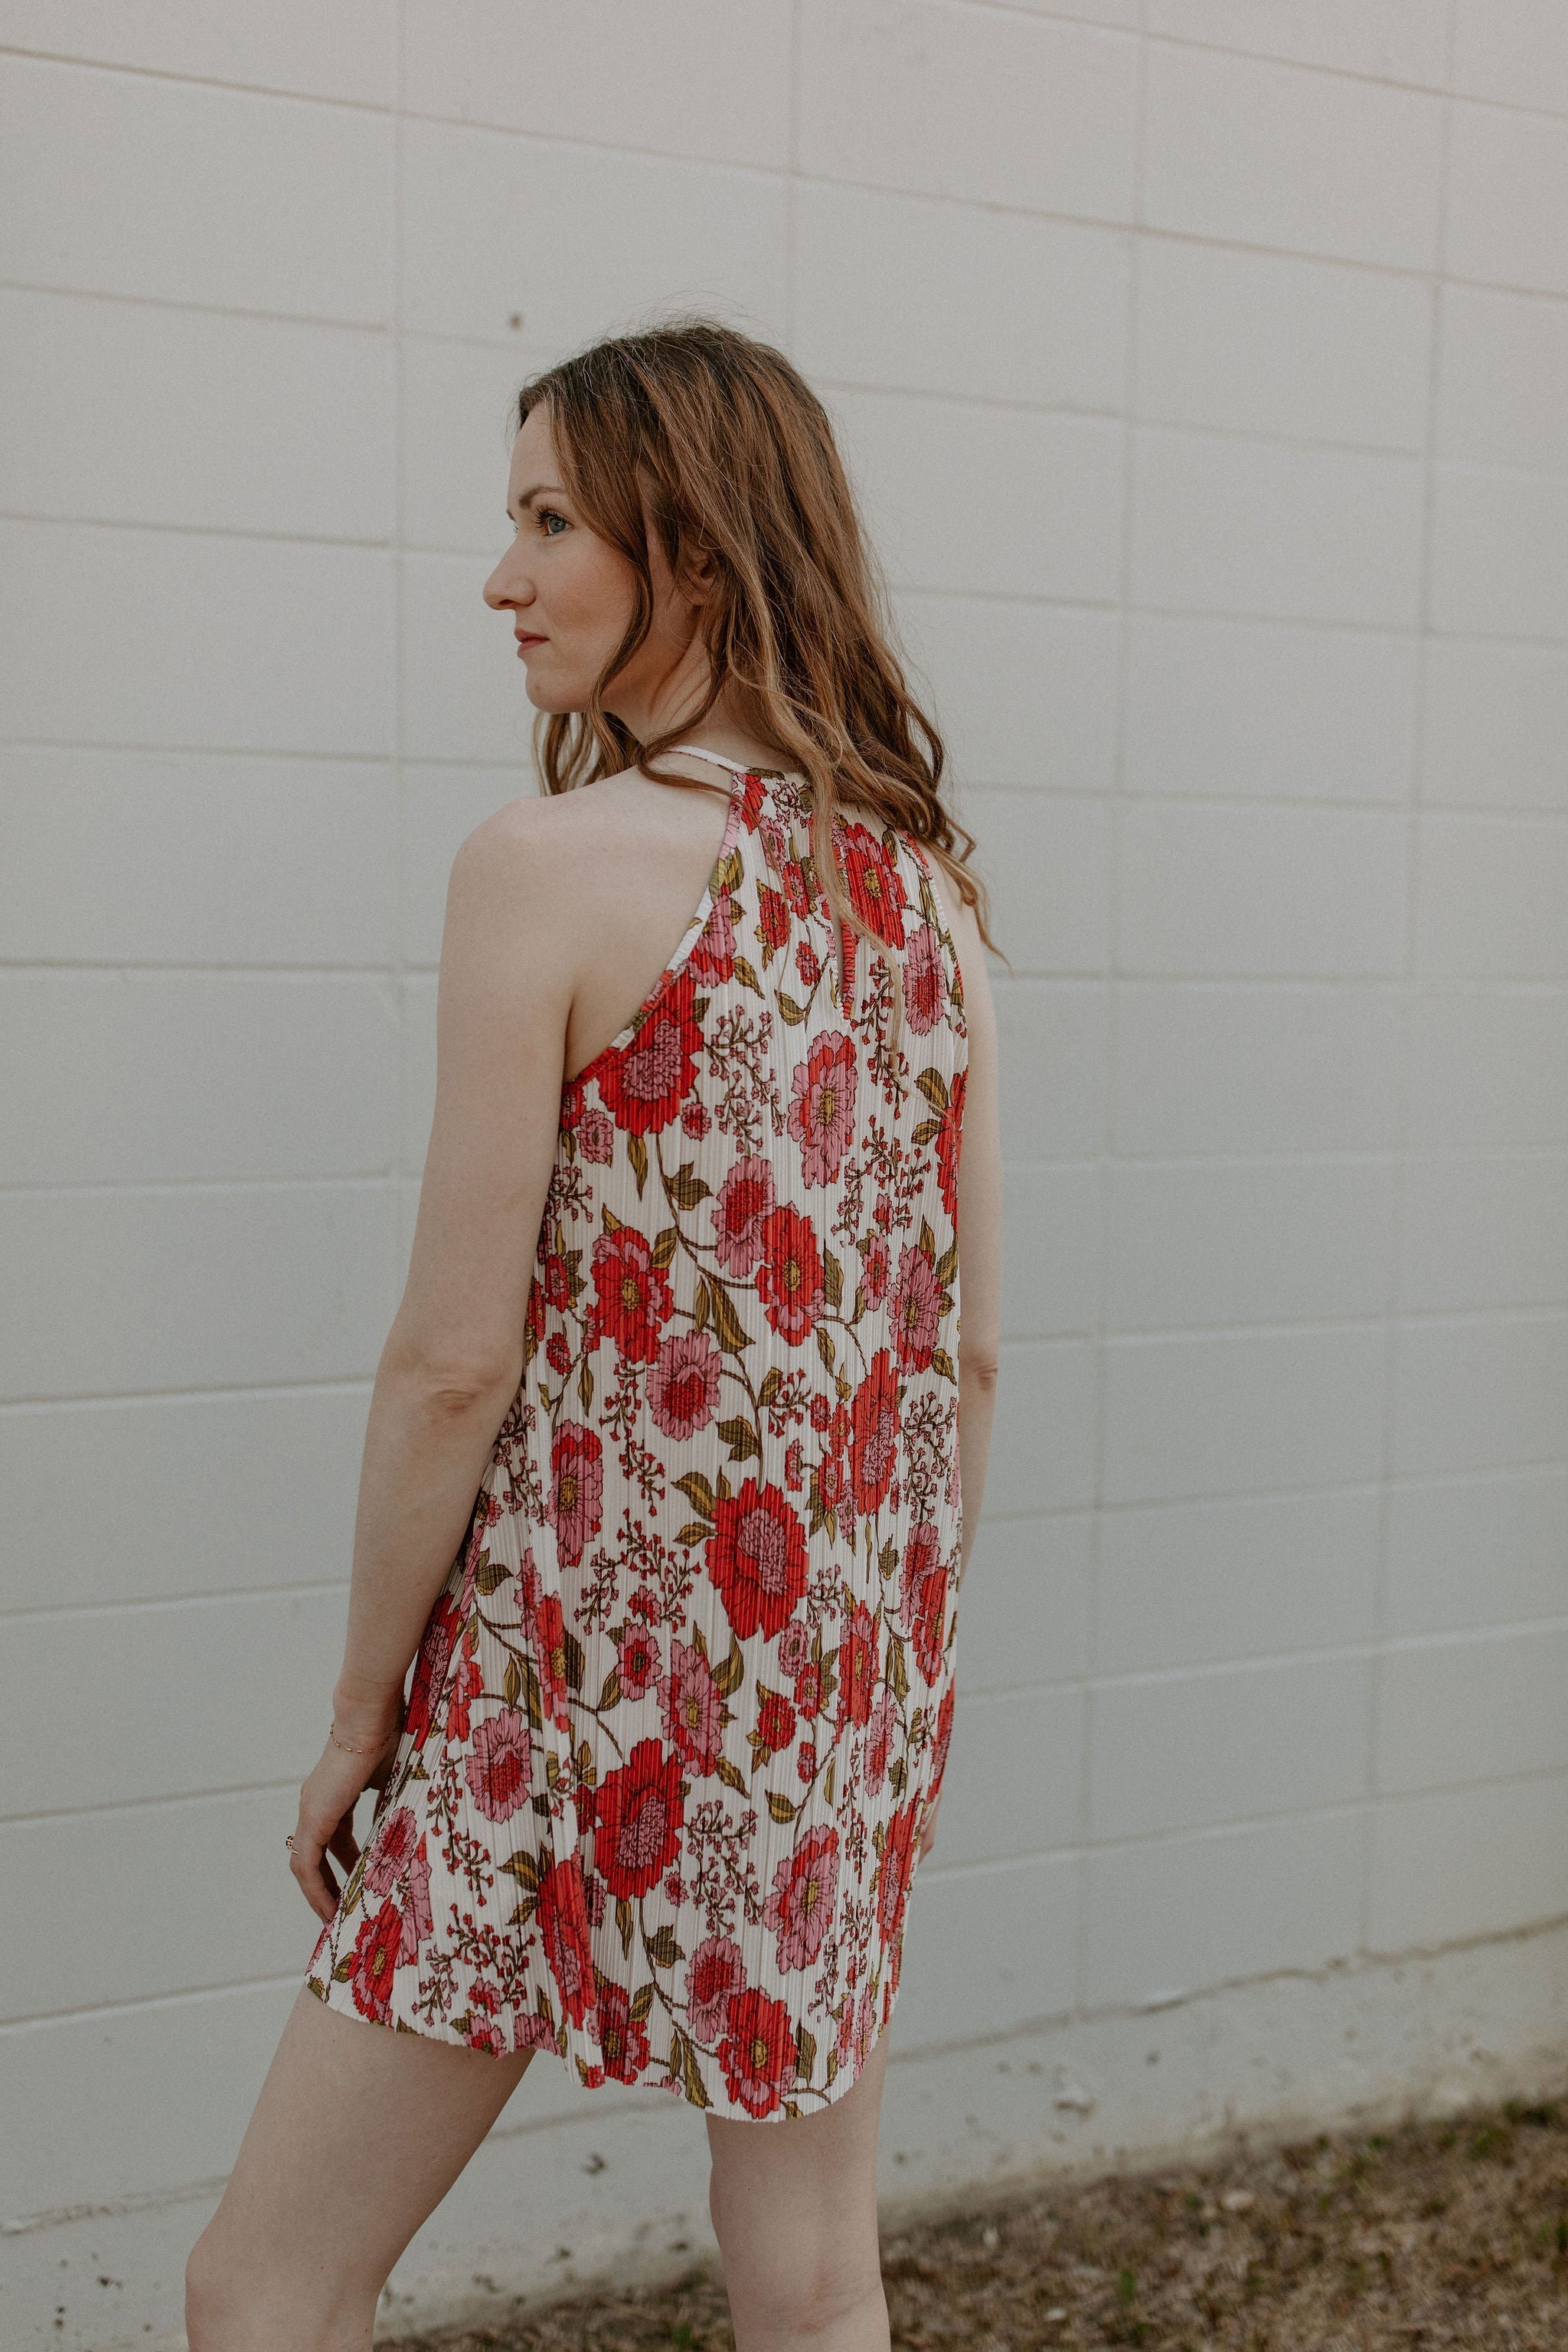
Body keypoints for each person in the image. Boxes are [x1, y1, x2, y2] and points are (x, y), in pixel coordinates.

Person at [185, 316, 1003, 2352]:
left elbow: (454, 1363)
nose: (503, 576)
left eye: (551, 521)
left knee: (265, 2283)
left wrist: (363, 1713)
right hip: (829, 1684)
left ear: (695, 550)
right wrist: (866, 1674)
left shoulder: (543, 869)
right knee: (814, 2279)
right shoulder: (926, 896)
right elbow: (968, 1357)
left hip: (549, 1686)